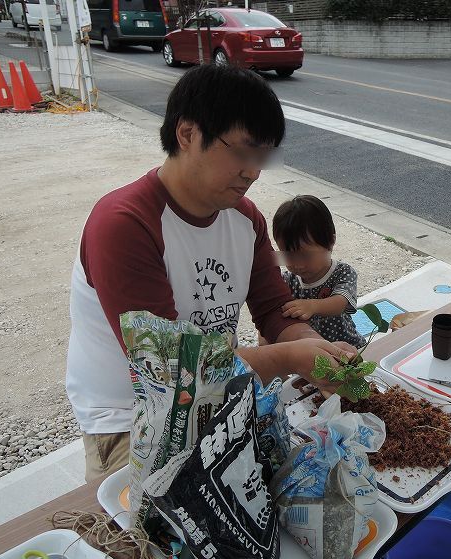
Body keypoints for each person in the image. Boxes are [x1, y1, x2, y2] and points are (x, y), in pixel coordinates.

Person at [66, 65, 354, 483]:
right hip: (135, 419)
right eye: (243, 151)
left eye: (262, 156)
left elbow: (276, 309)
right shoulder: (124, 224)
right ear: (187, 134)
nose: (253, 171)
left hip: (218, 393)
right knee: (155, 542)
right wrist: (289, 356)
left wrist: (318, 348)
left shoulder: (245, 220)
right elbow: (171, 370)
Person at [271, 195, 366, 349]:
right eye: (289, 256)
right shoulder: (287, 280)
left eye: (306, 255)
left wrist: (312, 306)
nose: (298, 264)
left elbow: (340, 303)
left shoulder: (343, 272)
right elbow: (273, 311)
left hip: (348, 348)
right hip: (309, 354)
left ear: (330, 242)